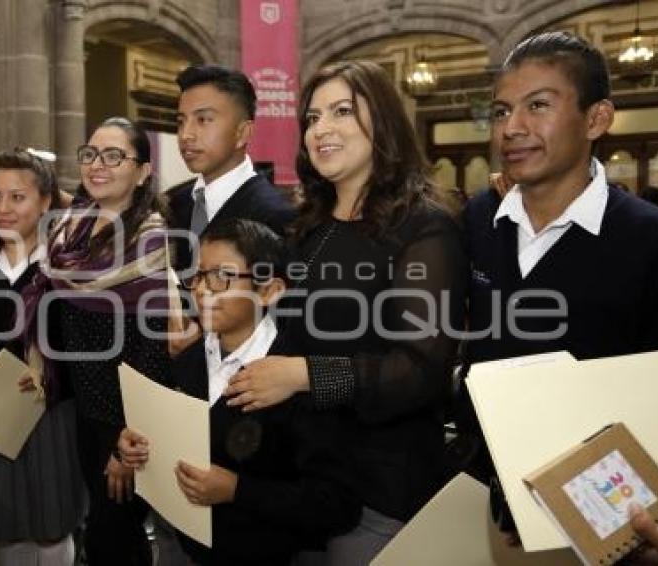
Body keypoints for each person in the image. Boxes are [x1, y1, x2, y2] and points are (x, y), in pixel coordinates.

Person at [222, 61, 468, 564]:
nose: (321, 130)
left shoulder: (423, 227)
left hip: (375, 488)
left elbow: (419, 370)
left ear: (382, 122)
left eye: (341, 112)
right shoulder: (309, 226)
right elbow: (289, 336)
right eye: (312, 118)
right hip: (301, 480)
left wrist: (305, 375)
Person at [459, 31, 658, 483]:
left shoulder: (651, 239)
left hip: (596, 494)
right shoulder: (480, 218)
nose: (512, 128)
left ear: (596, 119)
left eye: (537, 106)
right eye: (501, 111)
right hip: (479, 479)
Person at [118, 218, 359, 566]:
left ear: (268, 290)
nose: (201, 290)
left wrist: (236, 490)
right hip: (184, 546)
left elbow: (336, 503)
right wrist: (140, 445)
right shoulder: (187, 359)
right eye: (198, 276)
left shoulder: (296, 378)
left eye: (222, 277)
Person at [23, 117, 170, 566]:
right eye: (89, 154)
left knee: (115, 540)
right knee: (96, 535)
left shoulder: (151, 239)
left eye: (113, 156)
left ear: (143, 171)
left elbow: (152, 352)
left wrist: (126, 443)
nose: (97, 165)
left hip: (121, 422)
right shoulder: (72, 226)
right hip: (78, 407)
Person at [0, 149, 86, 565]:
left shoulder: (67, 267)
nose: (3, 209)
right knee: (1, 530)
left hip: (51, 412)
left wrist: (51, 374)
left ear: (46, 201)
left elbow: (87, 344)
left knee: (52, 528)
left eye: (17, 197)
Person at [165, 64, 296, 272]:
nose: (185, 135)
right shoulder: (175, 202)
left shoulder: (274, 215)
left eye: (203, 120)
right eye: (181, 122)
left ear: (242, 133)